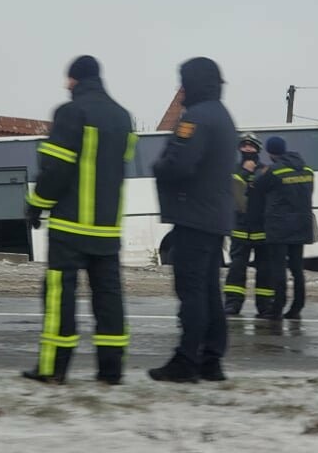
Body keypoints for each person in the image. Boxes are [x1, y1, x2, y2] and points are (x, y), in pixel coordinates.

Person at [21, 55, 135, 385]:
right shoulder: (122, 117)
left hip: (70, 228)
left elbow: (56, 167)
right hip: (107, 229)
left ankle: (53, 369)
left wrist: (36, 205)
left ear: (74, 80)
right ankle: (111, 371)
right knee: (109, 299)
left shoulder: (70, 112)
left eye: (67, 80)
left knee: (59, 297)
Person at [149, 57, 238, 383]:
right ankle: (211, 360)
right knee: (209, 291)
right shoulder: (222, 116)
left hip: (194, 217)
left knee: (192, 291)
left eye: (183, 81)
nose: (180, 89)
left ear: (195, 83)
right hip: (213, 217)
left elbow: (180, 164)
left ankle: (186, 360)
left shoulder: (196, 118)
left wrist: (158, 167)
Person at [253, 136, 315, 320]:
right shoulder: (307, 170)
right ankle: (297, 307)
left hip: (279, 227)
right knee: (297, 269)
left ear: (271, 153)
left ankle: (277, 308)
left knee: (278, 269)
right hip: (301, 225)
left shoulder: (274, 171)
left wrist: (258, 172)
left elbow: (257, 188)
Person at [223, 132, 275, 317]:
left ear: (257, 149)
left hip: (261, 229)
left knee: (265, 269)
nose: (247, 149)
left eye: (251, 146)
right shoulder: (234, 170)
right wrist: (245, 172)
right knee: (236, 269)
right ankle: (232, 304)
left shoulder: (266, 170)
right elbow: (232, 191)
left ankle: (265, 306)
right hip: (240, 228)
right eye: (244, 146)